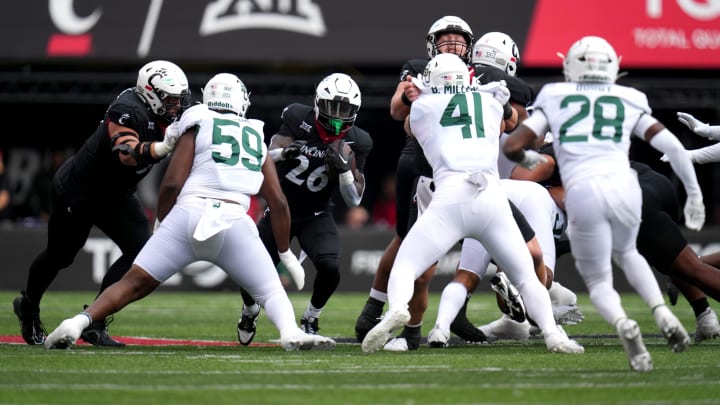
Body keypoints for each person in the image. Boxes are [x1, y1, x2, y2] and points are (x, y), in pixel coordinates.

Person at [44, 73, 336, 351]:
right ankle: (289, 331)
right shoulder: (254, 133)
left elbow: (171, 183)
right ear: (241, 102)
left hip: (189, 212)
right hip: (233, 221)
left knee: (133, 283)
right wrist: (285, 253)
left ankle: (77, 322)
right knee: (271, 292)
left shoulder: (197, 121)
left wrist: (162, 221)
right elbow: (279, 202)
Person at [361, 53, 584, 355]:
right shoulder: (490, 100)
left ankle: (398, 308)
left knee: (406, 266)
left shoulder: (424, 107)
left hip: (451, 195)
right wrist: (499, 99)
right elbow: (510, 119)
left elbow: (409, 126)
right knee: (527, 278)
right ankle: (552, 335)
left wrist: (418, 93)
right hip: (492, 196)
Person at [503, 36, 702, 371]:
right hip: (625, 184)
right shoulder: (630, 97)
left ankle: (624, 323)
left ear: (571, 66)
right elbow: (676, 149)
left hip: (583, 190)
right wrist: (695, 196)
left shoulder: (555, 95)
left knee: (598, 282)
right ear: (613, 66)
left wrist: (536, 161)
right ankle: (661, 311)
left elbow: (513, 146)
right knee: (630, 254)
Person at [12, 60, 190, 346]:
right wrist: (162, 147)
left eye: (179, 99)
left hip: (117, 194)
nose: (176, 106)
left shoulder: (174, 113)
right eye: (170, 99)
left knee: (142, 252)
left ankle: (94, 320)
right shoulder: (128, 110)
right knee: (61, 256)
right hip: (81, 192)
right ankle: (28, 305)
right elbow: (127, 152)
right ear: (150, 92)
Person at [354, 15, 475, 350]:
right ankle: (385, 315)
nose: (452, 44)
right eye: (445, 38)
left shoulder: (480, 76)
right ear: (432, 43)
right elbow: (399, 114)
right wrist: (410, 97)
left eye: (459, 39)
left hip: (464, 170)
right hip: (422, 166)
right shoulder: (419, 69)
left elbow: (507, 121)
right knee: (407, 242)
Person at [236, 72, 372, 344]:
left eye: (345, 109)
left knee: (330, 267)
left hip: (316, 213)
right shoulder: (298, 118)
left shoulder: (358, 140)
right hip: (280, 208)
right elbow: (268, 155)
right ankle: (250, 310)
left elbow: (354, 198)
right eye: (333, 106)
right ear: (318, 103)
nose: (337, 115)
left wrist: (344, 171)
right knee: (254, 268)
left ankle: (311, 316)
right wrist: (288, 151)